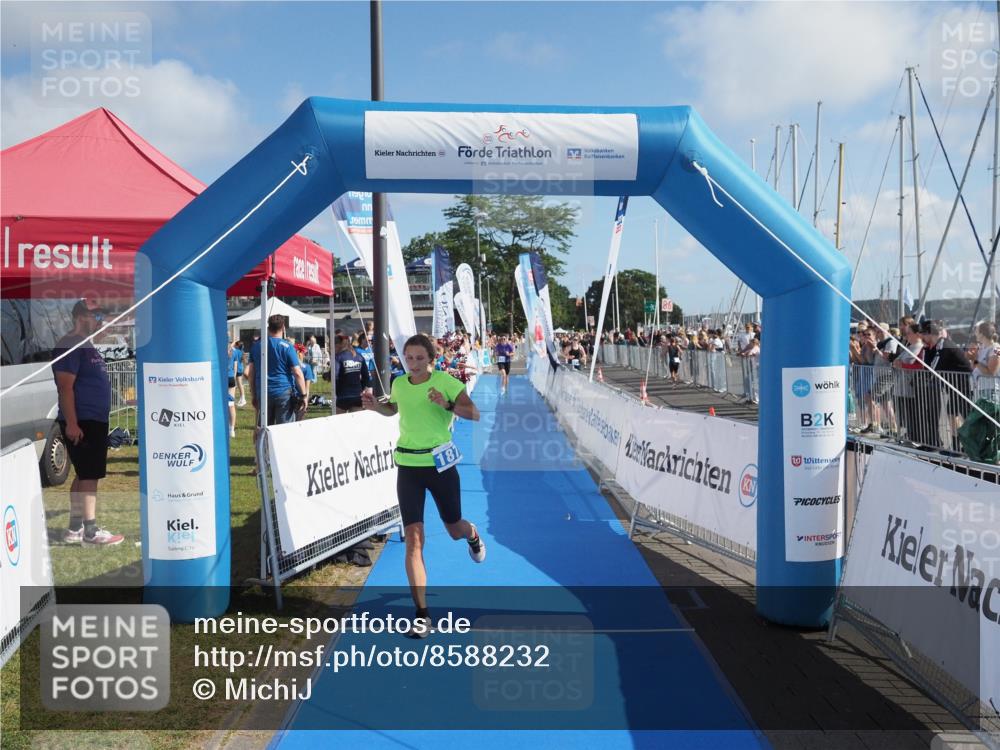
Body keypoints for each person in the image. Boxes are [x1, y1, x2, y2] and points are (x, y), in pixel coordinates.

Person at [362, 333, 484, 637]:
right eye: (408, 357)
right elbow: (395, 408)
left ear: (430, 359)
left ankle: (473, 535)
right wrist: (375, 407)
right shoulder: (399, 384)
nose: (413, 363)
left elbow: (474, 413)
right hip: (409, 467)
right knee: (414, 540)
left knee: (454, 529)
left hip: (440, 467)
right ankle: (422, 614)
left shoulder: (445, 381)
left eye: (419, 358)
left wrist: (446, 404)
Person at [51, 300, 124, 546]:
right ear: (82, 316)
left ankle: (75, 529)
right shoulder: (70, 344)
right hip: (83, 420)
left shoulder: (85, 344)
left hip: (92, 419)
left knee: (83, 474)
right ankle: (91, 531)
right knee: (90, 475)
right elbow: (65, 387)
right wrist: (72, 423)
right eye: (97, 316)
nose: (100, 321)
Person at [245, 314, 307, 427]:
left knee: (263, 430)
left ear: (268, 328)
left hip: (263, 392)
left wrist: (254, 395)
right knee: (285, 431)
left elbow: (250, 374)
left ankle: (264, 445)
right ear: (283, 328)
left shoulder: (257, 346)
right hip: (283, 392)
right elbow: (298, 373)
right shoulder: (287, 347)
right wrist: (303, 395)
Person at [334, 333, 371, 413]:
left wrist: (337, 391)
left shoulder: (338, 357)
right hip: (357, 395)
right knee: (355, 423)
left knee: (340, 423)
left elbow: (335, 376)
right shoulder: (359, 356)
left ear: (339, 344)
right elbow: (366, 377)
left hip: (343, 396)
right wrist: (361, 388)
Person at [232, 340, 247, 407]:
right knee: (239, 384)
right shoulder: (241, 351)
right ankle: (242, 398)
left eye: (236, 344)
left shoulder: (236, 351)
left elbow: (231, 347)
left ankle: (243, 399)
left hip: (237, 369)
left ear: (237, 345)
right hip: (240, 369)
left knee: (238, 384)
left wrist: (233, 342)